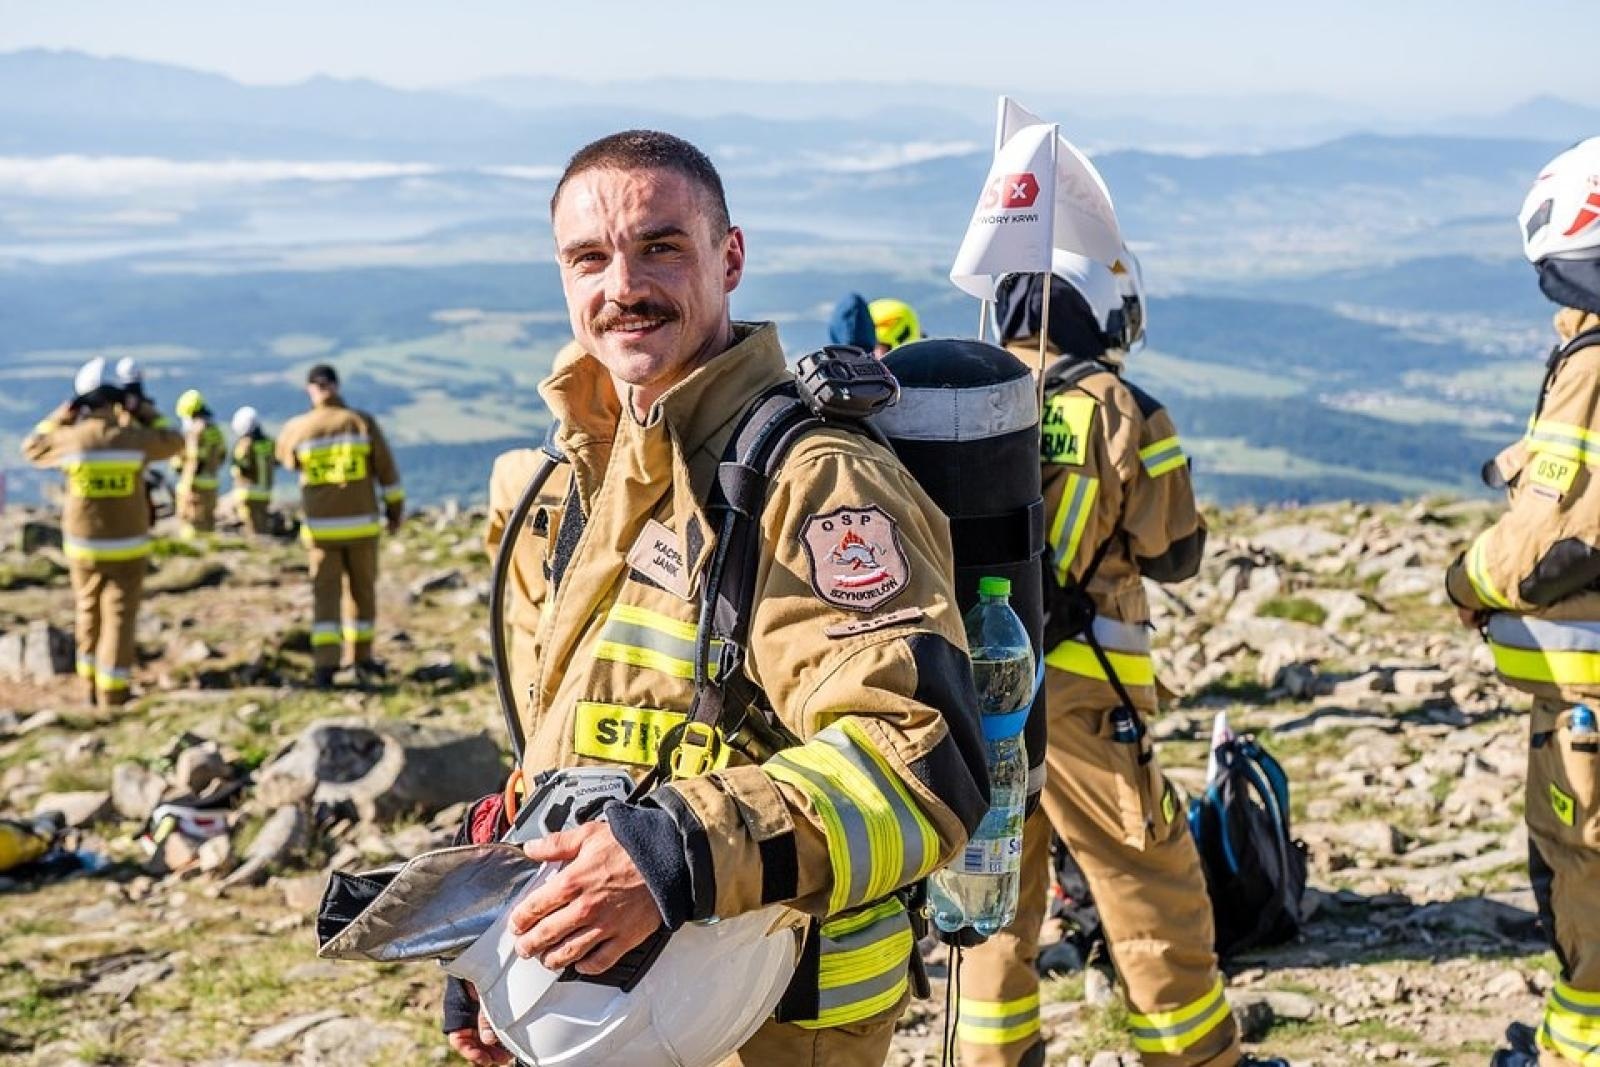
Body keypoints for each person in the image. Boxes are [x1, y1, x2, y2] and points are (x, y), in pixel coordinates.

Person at [443, 129, 988, 1067]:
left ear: (729, 257)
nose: (623, 286)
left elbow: (919, 765)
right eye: (588, 257)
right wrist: (493, 932)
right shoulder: (588, 468)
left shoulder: (814, 482)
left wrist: (673, 854)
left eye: (660, 246)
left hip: (771, 1013)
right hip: (618, 992)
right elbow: (576, 736)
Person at [953, 250, 1282, 1067]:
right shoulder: (1120, 407)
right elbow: (1175, 550)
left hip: (976, 686)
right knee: (1147, 876)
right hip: (1081, 693)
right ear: (1099, 306)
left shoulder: (972, 391)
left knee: (994, 885)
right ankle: (1195, 1057)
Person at [1447, 137, 1600, 1067]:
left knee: (1585, 879)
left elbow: (1544, 543)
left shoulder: (1594, 366)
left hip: (1588, 705)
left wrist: (1466, 579)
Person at [20, 358, 182, 706]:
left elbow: (32, 446)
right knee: (120, 617)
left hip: (83, 546)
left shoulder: (70, 440)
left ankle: (88, 684)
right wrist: (144, 411)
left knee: (87, 610)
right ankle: (113, 691)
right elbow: (175, 440)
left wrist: (61, 416)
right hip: (128, 544)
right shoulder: (133, 439)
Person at [276, 364, 404, 688]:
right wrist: (395, 512)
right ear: (337, 385)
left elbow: (286, 459)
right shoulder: (360, 423)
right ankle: (361, 657)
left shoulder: (298, 428)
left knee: (326, 596)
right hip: (362, 527)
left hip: (321, 530)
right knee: (362, 593)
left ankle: (325, 666)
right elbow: (387, 473)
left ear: (310, 390)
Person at [483, 430, 572, 713]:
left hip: (528, 631)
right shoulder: (615, 474)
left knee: (525, 724)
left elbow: (496, 549)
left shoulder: (510, 471)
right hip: (587, 638)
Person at [174, 388, 226, 536]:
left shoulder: (195, 431)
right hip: (212, 484)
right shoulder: (215, 430)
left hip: (195, 486)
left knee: (192, 524)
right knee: (208, 524)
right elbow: (222, 454)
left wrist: (186, 484)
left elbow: (193, 460)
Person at [229, 406, 277, 536]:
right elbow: (277, 461)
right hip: (265, 492)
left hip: (247, 492)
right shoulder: (269, 443)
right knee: (262, 526)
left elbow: (239, 466)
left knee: (251, 529)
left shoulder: (245, 444)